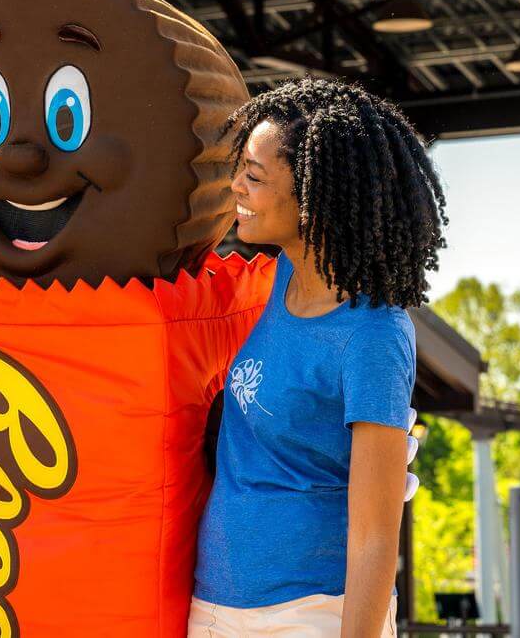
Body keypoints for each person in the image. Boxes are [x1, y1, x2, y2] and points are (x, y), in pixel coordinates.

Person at [190, 78, 445, 638]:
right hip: (215, 607)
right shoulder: (276, 278)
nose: (236, 186)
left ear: (314, 197)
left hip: (311, 615)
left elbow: (378, 534)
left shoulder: (374, 335)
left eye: (253, 177)